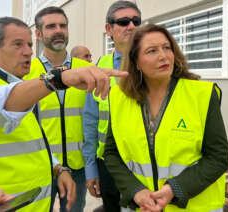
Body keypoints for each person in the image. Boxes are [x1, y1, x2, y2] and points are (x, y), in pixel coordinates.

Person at [0, 17, 127, 212]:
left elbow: (31, 144)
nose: (28, 51)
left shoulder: (19, 89)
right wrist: (57, 79)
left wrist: (57, 169)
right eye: (18, 44)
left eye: (29, 45)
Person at [103, 24, 228, 211]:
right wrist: (135, 190)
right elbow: (111, 154)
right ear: (136, 62)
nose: (163, 56)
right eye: (152, 51)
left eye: (167, 48)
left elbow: (218, 157)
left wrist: (175, 189)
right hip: (141, 207)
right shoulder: (119, 98)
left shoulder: (202, 95)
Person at [23, 7, 95, 212]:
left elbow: (93, 121)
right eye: (51, 26)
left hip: (77, 167)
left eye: (63, 25)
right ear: (38, 34)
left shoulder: (85, 69)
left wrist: (91, 166)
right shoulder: (28, 71)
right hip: (41, 166)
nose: (59, 30)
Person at [82, 1, 142, 211]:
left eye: (136, 21)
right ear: (109, 29)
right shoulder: (100, 68)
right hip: (108, 164)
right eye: (124, 22)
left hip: (146, 161)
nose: (131, 26)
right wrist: (91, 170)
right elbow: (90, 121)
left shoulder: (154, 64)